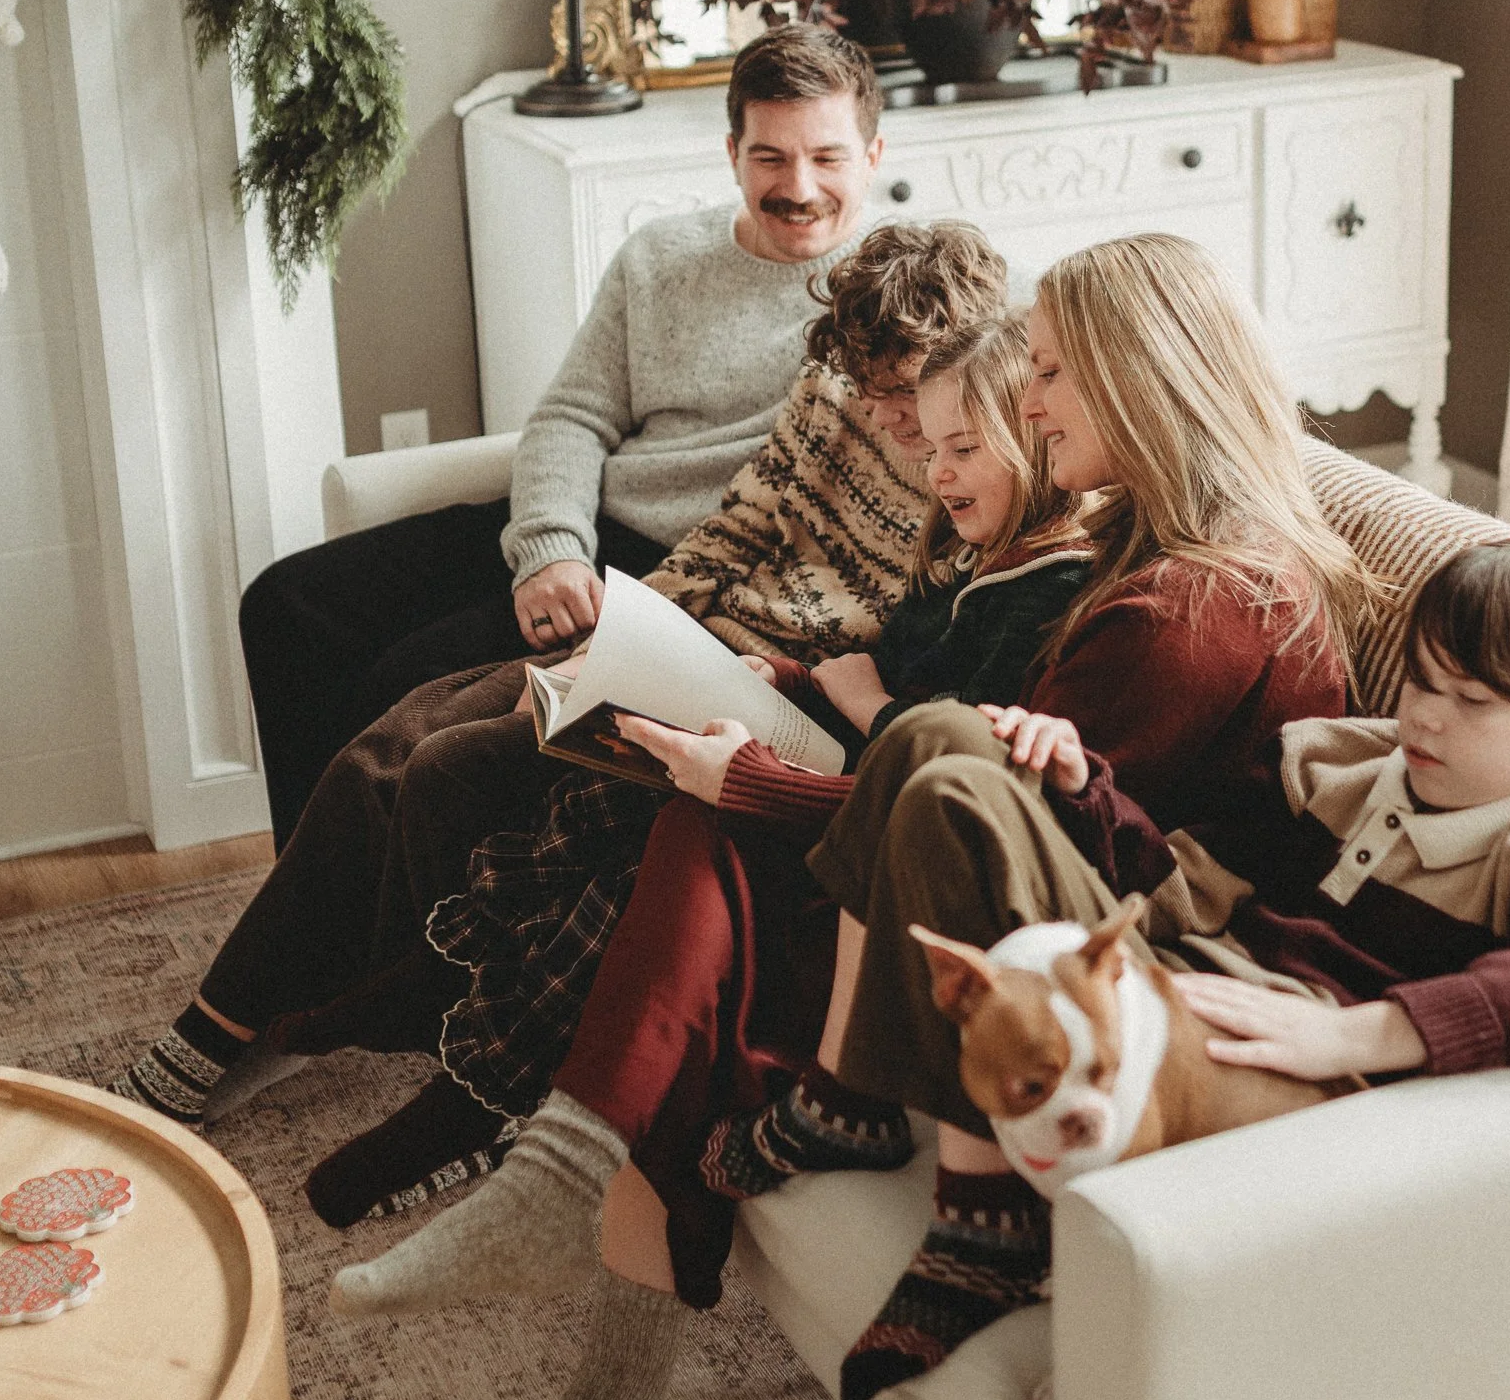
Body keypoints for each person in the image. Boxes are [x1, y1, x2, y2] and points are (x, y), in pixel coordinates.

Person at [344, 232, 1376, 1400]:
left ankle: (585, 1236)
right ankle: (569, 1206)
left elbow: (1016, 833)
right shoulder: (1146, 545)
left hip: (1109, 958)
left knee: (725, 841)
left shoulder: (1188, 607)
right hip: (1021, 884)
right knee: (704, 827)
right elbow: (985, 792)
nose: (1032, 397)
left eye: (1048, 371)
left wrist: (760, 783)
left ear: (1131, 377)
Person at [103, 219, 1005, 1192]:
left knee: (455, 769)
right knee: (390, 747)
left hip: (776, 703)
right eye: (867, 390)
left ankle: (447, 1056)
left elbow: (909, 666)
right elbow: (741, 521)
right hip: (694, 640)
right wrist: (623, 635)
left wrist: (761, 674)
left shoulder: (979, 464)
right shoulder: (844, 396)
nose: (883, 416)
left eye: (900, 393)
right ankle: (227, 1022)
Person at [328, 310, 1093, 1341]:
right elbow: (893, 712)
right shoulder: (963, 563)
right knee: (598, 780)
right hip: (839, 779)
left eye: (963, 448)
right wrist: (778, 681)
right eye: (924, 444)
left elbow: (941, 774)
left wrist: (832, 723)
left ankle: (523, 1131)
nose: (935, 469)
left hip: (883, 863)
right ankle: (508, 1104)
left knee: (685, 823)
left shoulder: (1045, 593)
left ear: (1036, 439)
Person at [808, 527, 1510, 1400]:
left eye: (1473, 700)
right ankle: (850, 1101)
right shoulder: (1329, 761)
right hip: (1159, 980)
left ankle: (982, 1234)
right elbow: (1182, 889)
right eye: (1421, 680)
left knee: (948, 777)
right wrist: (1079, 789)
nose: (1426, 715)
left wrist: (1354, 1035)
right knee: (939, 740)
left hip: (1271, 1080)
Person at [237, 23, 886, 847]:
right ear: (732, 153)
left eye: (827, 157)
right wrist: (550, 548)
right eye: (771, 157)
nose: (799, 186)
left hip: (673, 578)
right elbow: (573, 416)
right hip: (579, 530)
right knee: (287, 605)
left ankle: (358, 920)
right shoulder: (661, 256)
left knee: (399, 682)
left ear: (872, 155)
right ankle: (304, 890)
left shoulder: (888, 295)